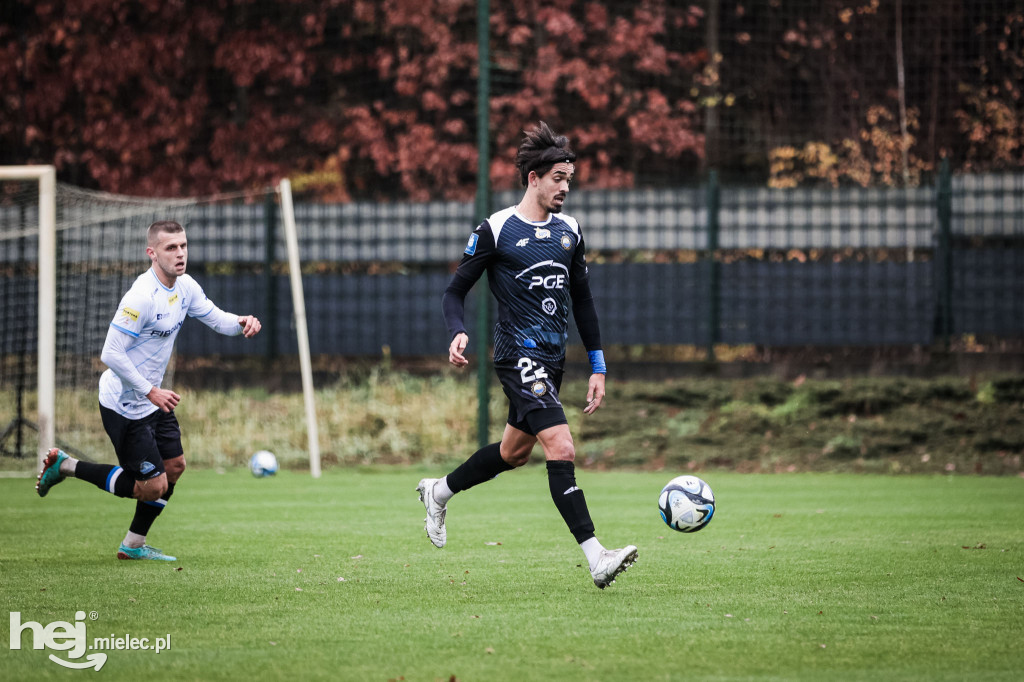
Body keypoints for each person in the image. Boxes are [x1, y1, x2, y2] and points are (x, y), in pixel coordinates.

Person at [417, 122, 637, 589]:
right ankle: (596, 557)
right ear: (533, 178)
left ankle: (439, 491)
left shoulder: (570, 232)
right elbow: (454, 291)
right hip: (518, 355)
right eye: (558, 178)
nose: (565, 188)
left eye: (569, 180)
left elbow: (583, 301)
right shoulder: (497, 229)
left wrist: (597, 365)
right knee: (561, 446)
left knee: (513, 454)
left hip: (554, 361)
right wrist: (457, 332)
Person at [36, 220, 261, 561]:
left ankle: (133, 545)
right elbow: (110, 353)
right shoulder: (140, 296)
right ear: (152, 253)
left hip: (152, 399)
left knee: (174, 467)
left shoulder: (185, 287)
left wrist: (241, 322)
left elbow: (217, 319)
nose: (180, 253)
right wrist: (149, 391)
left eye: (183, 245)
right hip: (124, 404)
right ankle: (66, 466)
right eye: (171, 248)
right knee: (152, 487)